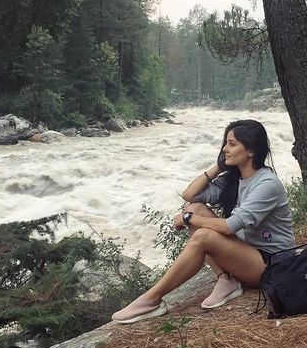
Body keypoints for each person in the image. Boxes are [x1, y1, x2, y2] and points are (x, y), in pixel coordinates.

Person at [111, 119, 295, 323]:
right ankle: (226, 279)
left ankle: (151, 299)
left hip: (273, 264)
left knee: (201, 232)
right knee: (194, 208)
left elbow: (229, 226)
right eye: (225, 143)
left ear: (251, 151)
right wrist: (218, 166)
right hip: (246, 251)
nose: (225, 149)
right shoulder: (234, 179)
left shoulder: (267, 184)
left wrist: (189, 218)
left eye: (232, 144)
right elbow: (189, 195)